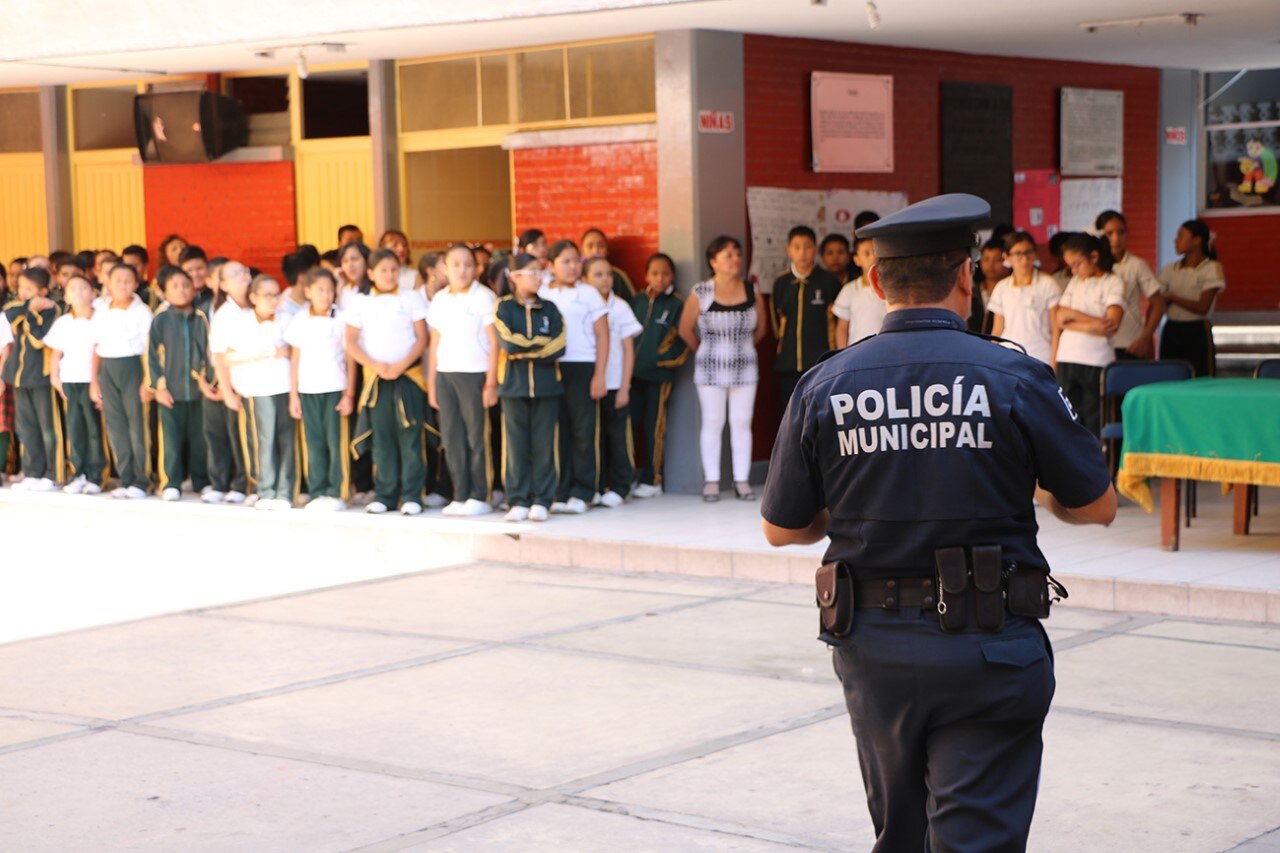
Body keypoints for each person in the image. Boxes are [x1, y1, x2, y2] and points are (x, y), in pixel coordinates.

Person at [761, 193, 1117, 853]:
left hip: (874, 650)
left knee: (901, 836)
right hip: (990, 647)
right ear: (967, 278)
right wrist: (1032, 487)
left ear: (876, 283)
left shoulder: (824, 384)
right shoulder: (1015, 375)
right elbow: (1097, 505)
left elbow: (782, 527)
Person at [679, 235, 767, 502]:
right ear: (713, 261)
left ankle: (742, 480)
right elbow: (685, 329)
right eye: (728, 255)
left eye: (737, 254)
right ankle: (712, 481)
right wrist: (706, 351)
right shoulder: (701, 292)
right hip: (709, 368)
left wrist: (741, 349)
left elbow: (762, 329)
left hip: (745, 367)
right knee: (713, 421)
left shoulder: (752, 290)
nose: (735, 259)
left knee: (742, 422)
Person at [345, 248, 430, 515]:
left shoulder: (411, 298)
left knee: (410, 436)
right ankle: (385, 494)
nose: (390, 275)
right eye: (383, 270)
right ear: (371, 273)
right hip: (377, 378)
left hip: (408, 377)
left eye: (394, 270)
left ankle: (412, 495)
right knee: (382, 438)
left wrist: (401, 365)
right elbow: (351, 341)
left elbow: (422, 338)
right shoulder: (360, 302)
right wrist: (375, 365)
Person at [426, 243, 499, 517]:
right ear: (445, 268)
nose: (462, 270)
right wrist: (432, 382)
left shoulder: (484, 297)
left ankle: (481, 494)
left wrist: (491, 382)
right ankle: (460, 493)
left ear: (476, 268)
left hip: (475, 374)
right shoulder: (440, 299)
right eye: (456, 264)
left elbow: (495, 343)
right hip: (446, 374)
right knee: (452, 436)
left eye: (468, 265)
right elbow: (434, 342)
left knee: (476, 436)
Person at [494, 253, 566, 522]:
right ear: (515, 277)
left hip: (547, 387)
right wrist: (538, 345)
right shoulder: (503, 307)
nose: (539, 278)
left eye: (540, 272)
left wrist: (526, 350)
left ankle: (543, 499)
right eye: (533, 272)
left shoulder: (551, 309)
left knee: (545, 445)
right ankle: (518, 499)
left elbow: (559, 345)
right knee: (515, 446)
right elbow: (508, 343)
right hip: (513, 387)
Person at [538, 240, 608, 514]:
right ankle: (561, 489)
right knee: (558, 430)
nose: (572, 267)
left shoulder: (589, 293)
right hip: (552, 367)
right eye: (565, 261)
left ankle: (584, 490)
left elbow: (603, 335)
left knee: (583, 430)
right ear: (551, 265)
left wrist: (599, 374)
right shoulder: (543, 292)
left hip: (582, 365)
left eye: (576, 261)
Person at [224, 275, 296, 510]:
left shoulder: (287, 319)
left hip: (285, 388)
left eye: (276, 294)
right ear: (253, 297)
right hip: (258, 390)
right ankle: (265, 490)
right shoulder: (243, 322)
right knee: (263, 441)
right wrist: (262, 352)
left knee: (286, 441)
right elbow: (228, 356)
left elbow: (295, 350)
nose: (274, 300)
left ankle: (285, 493)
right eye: (267, 295)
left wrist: (284, 352)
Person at [286, 268, 354, 511]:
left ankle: (338, 492)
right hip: (308, 390)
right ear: (308, 291)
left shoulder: (341, 318)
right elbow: (295, 359)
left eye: (329, 290)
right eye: (320, 290)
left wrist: (349, 394)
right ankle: (317, 491)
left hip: (335, 388)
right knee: (313, 443)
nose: (325, 295)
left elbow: (350, 358)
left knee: (336, 443)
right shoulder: (299, 319)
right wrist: (294, 396)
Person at [146, 266, 212, 502]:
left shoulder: (201, 318)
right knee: (170, 441)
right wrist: (159, 387)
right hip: (170, 391)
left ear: (194, 289)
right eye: (175, 286)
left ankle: (201, 481)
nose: (182, 290)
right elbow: (152, 356)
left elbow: (208, 352)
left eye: (186, 285)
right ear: (165, 292)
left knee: (200, 439)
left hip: (198, 390)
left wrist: (206, 380)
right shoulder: (160, 320)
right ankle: (171, 482)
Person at [89, 263, 152, 499]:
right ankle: (126, 478)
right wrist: (94, 381)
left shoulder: (142, 311)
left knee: (137, 425)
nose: (123, 285)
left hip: (133, 367)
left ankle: (142, 480)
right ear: (108, 282)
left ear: (136, 284)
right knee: (116, 426)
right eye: (118, 280)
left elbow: (149, 348)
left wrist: (148, 380)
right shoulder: (101, 309)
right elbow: (96, 347)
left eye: (128, 281)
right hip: (108, 368)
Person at [629, 253, 688, 498]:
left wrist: (657, 360)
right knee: (629, 425)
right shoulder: (637, 301)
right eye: (654, 273)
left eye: (665, 273)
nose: (660, 278)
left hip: (659, 377)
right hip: (631, 377)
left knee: (654, 428)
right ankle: (627, 477)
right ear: (646, 276)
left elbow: (682, 341)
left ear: (672, 276)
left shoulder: (677, 304)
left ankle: (653, 479)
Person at [1053, 233, 1125, 437]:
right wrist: (1093, 323)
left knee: (1094, 419)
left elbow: (1110, 324)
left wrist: (1073, 319)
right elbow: (1060, 317)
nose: (1074, 270)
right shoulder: (1075, 282)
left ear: (1094, 256)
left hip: (1096, 360)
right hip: (1067, 357)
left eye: (1078, 264)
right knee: (1068, 418)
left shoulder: (1113, 282)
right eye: (1070, 266)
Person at [585, 255, 642, 506]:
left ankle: (621, 486)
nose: (605, 279)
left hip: (616, 383)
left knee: (618, 437)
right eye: (598, 275)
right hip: (588, 384)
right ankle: (596, 486)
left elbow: (629, 350)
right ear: (585, 278)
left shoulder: (620, 307)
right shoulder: (582, 305)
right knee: (592, 437)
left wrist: (625, 387)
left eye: (608, 274)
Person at [4, 267, 62, 491]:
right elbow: (8, 313)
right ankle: (32, 472)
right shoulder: (20, 306)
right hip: (19, 377)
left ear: (44, 291)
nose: (23, 292)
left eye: (29, 289)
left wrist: (31, 314)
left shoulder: (52, 309)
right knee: (26, 427)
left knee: (48, 427)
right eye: (21, 288)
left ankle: (52, 473)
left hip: (41, 377)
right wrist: (29, 306)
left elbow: (39, 339)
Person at [46, 276, 105, 495]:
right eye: (72, 289)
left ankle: (96, 476)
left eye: (83, 288)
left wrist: (100, 383)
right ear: (66, 296)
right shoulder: (63, 322)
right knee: (75, 428)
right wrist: (55, 378)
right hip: (70, 380)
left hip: (93, 381)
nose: (78, 292)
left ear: (93, 293)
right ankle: (79, 473)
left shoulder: (101, 318)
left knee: (94, 429)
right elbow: (55, 353)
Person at [771, 225, 841, 404]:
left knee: (821, 409)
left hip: (822, 362)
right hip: (788, 362)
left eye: (808, 247)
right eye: (797, 247)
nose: (802, 252)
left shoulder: (829, 281)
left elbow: (837, 321)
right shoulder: (781, 283)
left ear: (815, 249)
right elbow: (776, 323)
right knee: (791, 410)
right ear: (789, 250)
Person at [206, 260, 253, 504]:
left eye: (245, 271)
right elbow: (219, 356)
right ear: (223, 285)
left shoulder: (258, 306)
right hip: (239, 386)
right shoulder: (224, 314)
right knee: (239, 438)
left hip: (264, 385)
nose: (243, 275)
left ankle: (254, 483)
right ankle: (241, 483)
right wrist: (227, 391)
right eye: (235, 274)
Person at [1158, 219, 1225, 377]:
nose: (1176, 240)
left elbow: (1203, 307)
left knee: (1200, 375)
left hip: (1196, 330)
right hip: (1171, 328)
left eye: (1181, 236)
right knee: (1169, 375)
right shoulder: (1170, 269)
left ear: (1197, 240)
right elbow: (1159, 301)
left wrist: (1172, 298)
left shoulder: (1211, 268)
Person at [1096, 210, 1165, 360]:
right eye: (1109, 233)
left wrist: (1145, 338)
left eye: (1121, 232)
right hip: (1097, 345)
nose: (1116, 239)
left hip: (1130, 344)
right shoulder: (1091, 267)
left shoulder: (1136, 265)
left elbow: (1158, 303)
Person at [987, 231, 1061, 365]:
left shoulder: (1048, 284)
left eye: (1029, 252)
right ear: (1007, 257)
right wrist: (992, 361)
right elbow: (997, 329)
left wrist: (1054, 364)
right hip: (1008, 357)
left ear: (1035, 253)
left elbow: (1056, 329)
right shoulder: (1002, 287)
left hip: (1041, 357)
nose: (1024, 259)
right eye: (1018, 254)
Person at [832, 236, 886, 349]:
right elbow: (842, 329)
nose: (873, 257)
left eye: (876, 252)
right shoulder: (849, 290)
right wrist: (843, 354)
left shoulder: (893, 287)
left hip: (887, 350)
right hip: (856, 352)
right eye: (867, 253)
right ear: (857, 260)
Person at [581, 228, 636, 300]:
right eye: (590, 246)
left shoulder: (618, 276)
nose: (596, 251)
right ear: (582, 251)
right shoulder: (575, 275)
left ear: (607, 250)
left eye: (601, 246)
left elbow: (632, 302)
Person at [968, 236, 1004, 334]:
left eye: (997, 260)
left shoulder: (1010, 292)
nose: (990, 265)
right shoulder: (972, 292)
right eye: (986, 259)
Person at [277, 251, 313, 327]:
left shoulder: (314, 301)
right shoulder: (283, 310)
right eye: (312, 274)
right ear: (302, 278)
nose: (315, 278)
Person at [336, 242, 372, 311]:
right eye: (345, 261)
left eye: (354, 259)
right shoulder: (344, 290)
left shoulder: (376, 289)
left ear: (367, 261)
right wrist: (340, 285)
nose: (350, 265)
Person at [179, 246, 212, 317]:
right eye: (189, 271)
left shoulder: (217, 295)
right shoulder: (179, 299)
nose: (195, 274)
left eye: (199, 268)